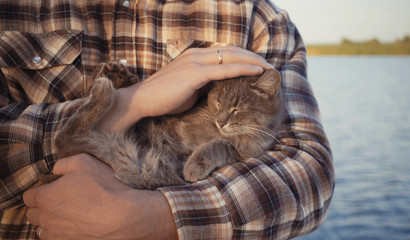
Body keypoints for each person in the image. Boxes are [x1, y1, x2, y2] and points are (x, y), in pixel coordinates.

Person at [0, 0, 334, 239]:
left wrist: (161, 217)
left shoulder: (258, 17)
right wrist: (130, 102)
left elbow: (309, 172)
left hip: (149, 169)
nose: (221, 119)